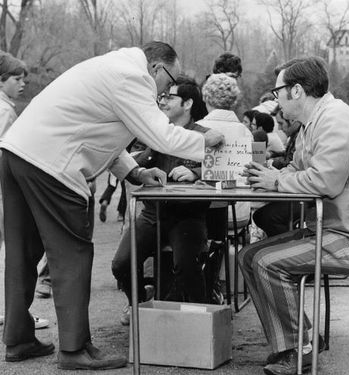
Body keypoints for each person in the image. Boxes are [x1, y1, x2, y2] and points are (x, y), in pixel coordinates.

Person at [0, 41, 224, 370]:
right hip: (51, 165)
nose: (166, 90)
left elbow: (103, 133)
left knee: (22, 252)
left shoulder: (108, 69)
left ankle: (18, 339)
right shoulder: (132, 78)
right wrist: (207, 140)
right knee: (72, 254)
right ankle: (75, 349)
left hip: (16, 153)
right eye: (169, 80)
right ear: (155, 67)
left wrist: (133, 171)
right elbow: (162, 135)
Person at [239, 56, 349, 375]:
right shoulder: (315, 122)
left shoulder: (334, 119)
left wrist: (276, 181)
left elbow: (325, 181)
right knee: (249, 255)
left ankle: (298, 351)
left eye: (277, 91)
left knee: (266, 262)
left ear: (295, 90)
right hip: (334, 231)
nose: (275, 99)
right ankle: (301, 340)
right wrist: (270, 174)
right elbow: (300, 168)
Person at [112, 75, 211, 325]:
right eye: (162, 96)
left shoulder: (207, 135)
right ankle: (138, 303)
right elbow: (140, 163)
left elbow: (225, 172)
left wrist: (196, 172)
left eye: (170, 96)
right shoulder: (158, 134)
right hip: (153, 214)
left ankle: (204, 319)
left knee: (186, 265)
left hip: (188, 216)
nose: (163, 100)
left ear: (187, 104)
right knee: (121, 264)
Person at [0, 52, 49, 330]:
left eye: (24, 79)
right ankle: (17, 316)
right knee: (14, 253)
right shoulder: (4, 110)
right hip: (3, 190)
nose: (22, 84)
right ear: (1, 81)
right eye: (17, 79)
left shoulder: (7, 106)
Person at [198, 73, 253, 304]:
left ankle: (204, 287)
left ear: (205, 98)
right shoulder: (245, 132)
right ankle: (214, 287)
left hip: (207, 211)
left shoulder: (199, 129)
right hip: (240, 210)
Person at [252, 109, 302, 237]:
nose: (279, 128)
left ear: (292, 121)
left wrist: (272, 165)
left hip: (305, 196)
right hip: (300, 189)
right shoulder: (296, 135)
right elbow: (288, 159)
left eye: (281, 123)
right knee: (262, 214)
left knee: (264, 216)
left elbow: (289, 162)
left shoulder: (299, 136)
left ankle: (286, 246)